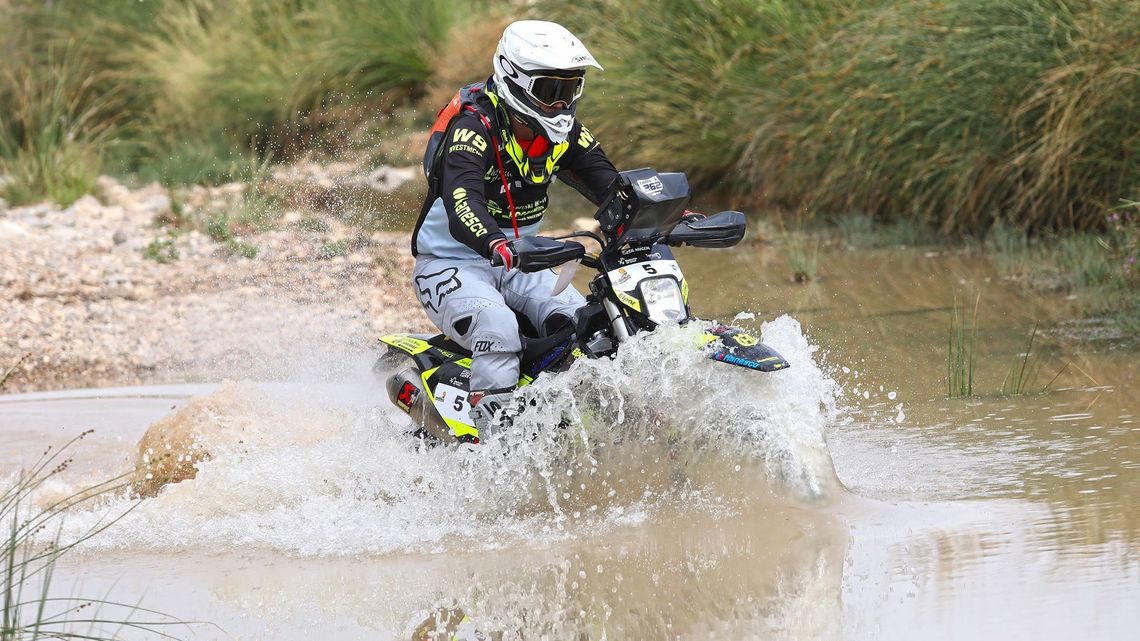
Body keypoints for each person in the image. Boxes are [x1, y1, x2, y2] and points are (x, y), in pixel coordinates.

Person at [409, 20, 619, 438]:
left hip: (521, 261)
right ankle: (494, 449)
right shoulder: (473, 128)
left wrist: (668, 215)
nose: (561, 104)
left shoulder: (565, 134)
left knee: (585, 326)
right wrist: (496, 243)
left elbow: (614, 187)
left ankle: (574, 429)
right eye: (549, 91)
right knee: (498, 328)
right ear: (514, 80)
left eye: (570, 90)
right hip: (451, 264)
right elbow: (461, 201)